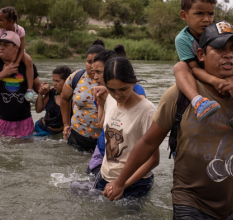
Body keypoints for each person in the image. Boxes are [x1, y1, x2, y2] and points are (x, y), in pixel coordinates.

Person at [104, 21, 233, 219]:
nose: (229, 54)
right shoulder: (180, 95)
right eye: (219, 48)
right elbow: (149, 142)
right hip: (190, 202)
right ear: (201, 55)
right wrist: (120, 182)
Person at [173, 0, 233, 132]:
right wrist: (216, 82)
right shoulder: (182, 39)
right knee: (179, 67)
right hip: (201, 73)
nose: (206, 19)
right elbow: (194, 68)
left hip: (223, 69)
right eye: (199, 14)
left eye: (210, 14)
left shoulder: (217, 30)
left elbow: (232, 59)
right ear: (184, 15)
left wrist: (232, 81)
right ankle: (198, 102)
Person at [94, 57, 159, 198]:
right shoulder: (110, 99)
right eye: (112, 89)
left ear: (133, 82)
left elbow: (154, 159)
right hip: (105, 177)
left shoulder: (147, 111)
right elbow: (104, 126)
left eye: (123, 89)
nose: (118, 95)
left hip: (134, 183)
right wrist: (101, 101)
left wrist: (122, 184)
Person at [87, 45, 146, 175]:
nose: (95, 76)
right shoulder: (101, 91)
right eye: (94, 72)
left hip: (122, 154)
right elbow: (102, 124)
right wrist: (102, 103)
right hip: (103, 149)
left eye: (98, 72)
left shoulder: (133, 91)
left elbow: (139, 108)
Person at [0, 31, 42, 137]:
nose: (1, 47)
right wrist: (3, 73)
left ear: (16, 48)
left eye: (6, 45)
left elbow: (37, 86)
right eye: (0, 44)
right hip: (0, 120)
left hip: (24, 121)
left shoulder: (26, 64)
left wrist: (45, 88)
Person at [60, 39, 105, 152]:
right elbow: (64, 98)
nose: (92, 66)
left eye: (96, 62)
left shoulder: (112, 79)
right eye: (89, 62)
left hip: (104, 140)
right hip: (77, 136)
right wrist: (66, 124)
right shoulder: (75, 77)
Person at [0, 6, 36, 103]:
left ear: (10, 22)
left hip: (17, 52)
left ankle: (29, 91)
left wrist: (16, 63)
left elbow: (21, 49)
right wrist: (5, 61)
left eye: (1, 20)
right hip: (3, 52)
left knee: (29, 60)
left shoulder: (20, 30)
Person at [33, 66, 72, 136]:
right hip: (41, 128)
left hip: (57, 133)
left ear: (67, 81)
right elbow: (38, 110)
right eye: (53, 80)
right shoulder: (51, 92)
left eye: (57, 81)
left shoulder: (72, 98)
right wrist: (40, 93)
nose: (54, 83)